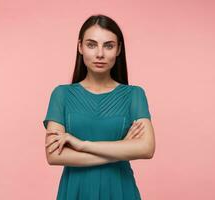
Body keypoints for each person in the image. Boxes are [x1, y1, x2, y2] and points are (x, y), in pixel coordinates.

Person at [43, 14, 156, 200]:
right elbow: (54, 155)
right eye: (91, 44)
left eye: (109, 45)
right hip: (75, 191)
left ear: (119, 49)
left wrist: (82, 145)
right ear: (80, 47)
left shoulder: (134, 94)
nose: (100, 54)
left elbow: (146, 148)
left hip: (120, 190)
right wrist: (122, 149)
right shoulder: (61, 94)